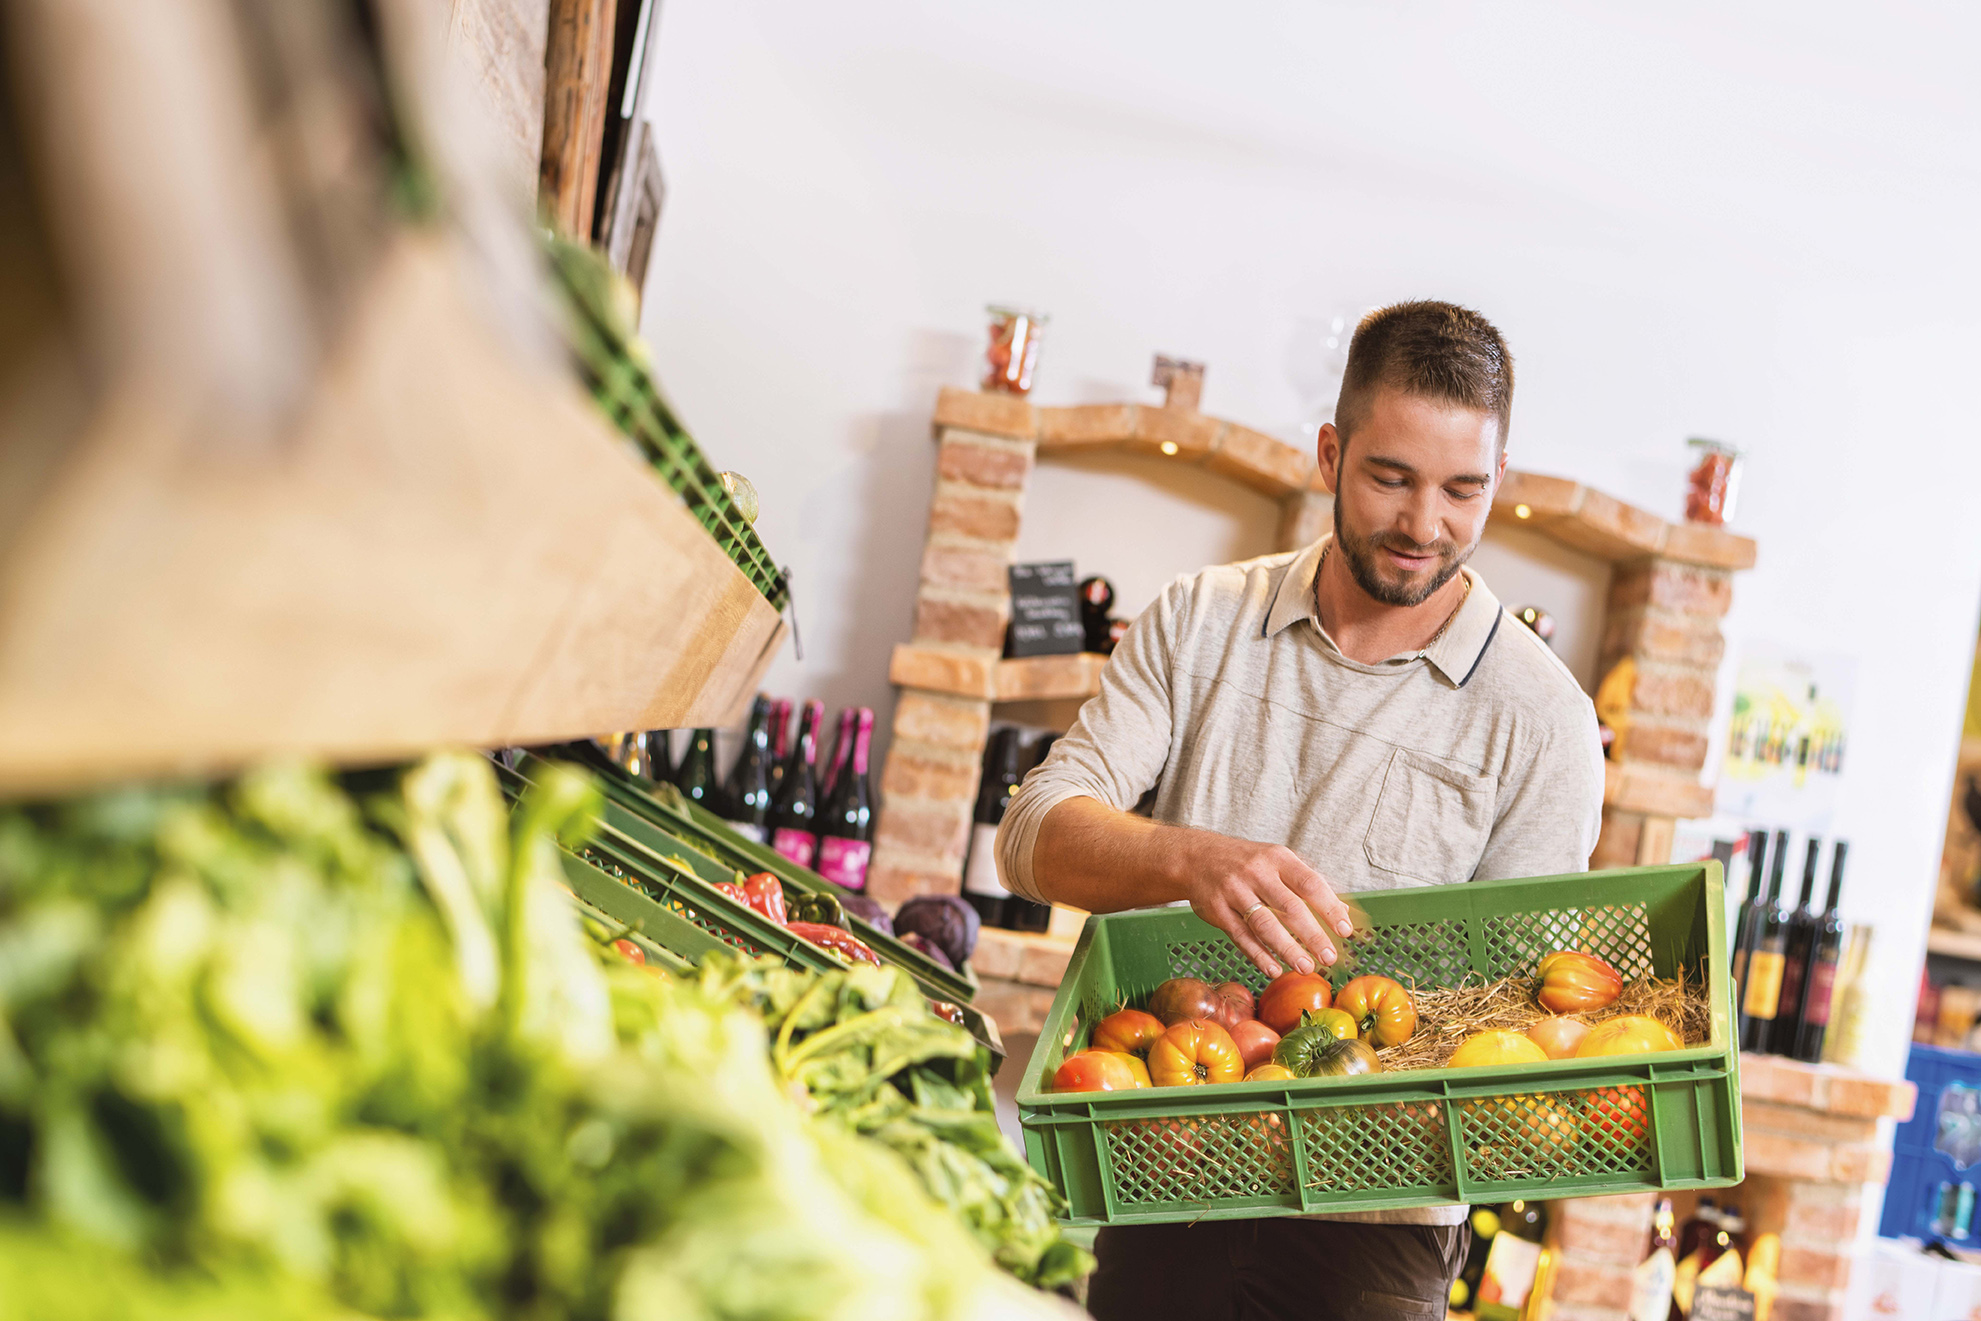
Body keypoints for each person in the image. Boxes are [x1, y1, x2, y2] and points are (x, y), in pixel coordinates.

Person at [994, 301, 1604, 1321]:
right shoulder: (1201, 619)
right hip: (1164, 1176)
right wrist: (1188, 860)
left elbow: (1522, 1018)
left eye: (1464, 489)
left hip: (1370, 1238)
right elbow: (1031, 832)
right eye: (1390, 478)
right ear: (1330, 452)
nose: (1425, 525)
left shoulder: (1545, 719)